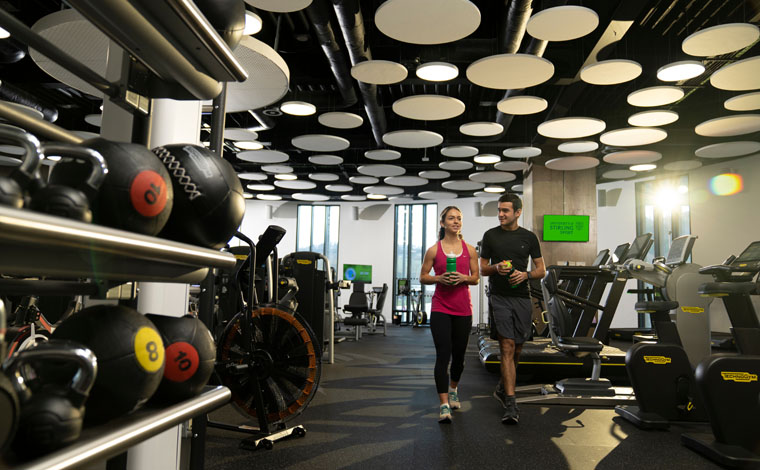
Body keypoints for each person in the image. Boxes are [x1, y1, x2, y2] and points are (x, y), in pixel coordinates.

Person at [479, 193, 545, 424]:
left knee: (517, 348)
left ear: (517, 212)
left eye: (505, 210)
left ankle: (501, 387)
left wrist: (525, 274)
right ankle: (510, 402)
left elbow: (541, 270)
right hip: (499, 297)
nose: (501, 214)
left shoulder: (529, 238)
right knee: (506, 346)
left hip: (521, 298)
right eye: (499, 210)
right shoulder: (490, 236)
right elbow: (482, 269)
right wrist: (496, 267)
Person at [420, 206, 479, 423]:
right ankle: (444, 404)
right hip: (440, 308)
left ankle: (453, 388)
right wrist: (439, 278)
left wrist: (463, 278)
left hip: (463, 309)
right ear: (443, 223)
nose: (456, 221)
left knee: (459, 358)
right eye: (452, 218)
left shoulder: (470, 250)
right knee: (442, 356)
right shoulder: (434, 250)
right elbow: (423, 276)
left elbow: (475, 278)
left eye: (459, 218)